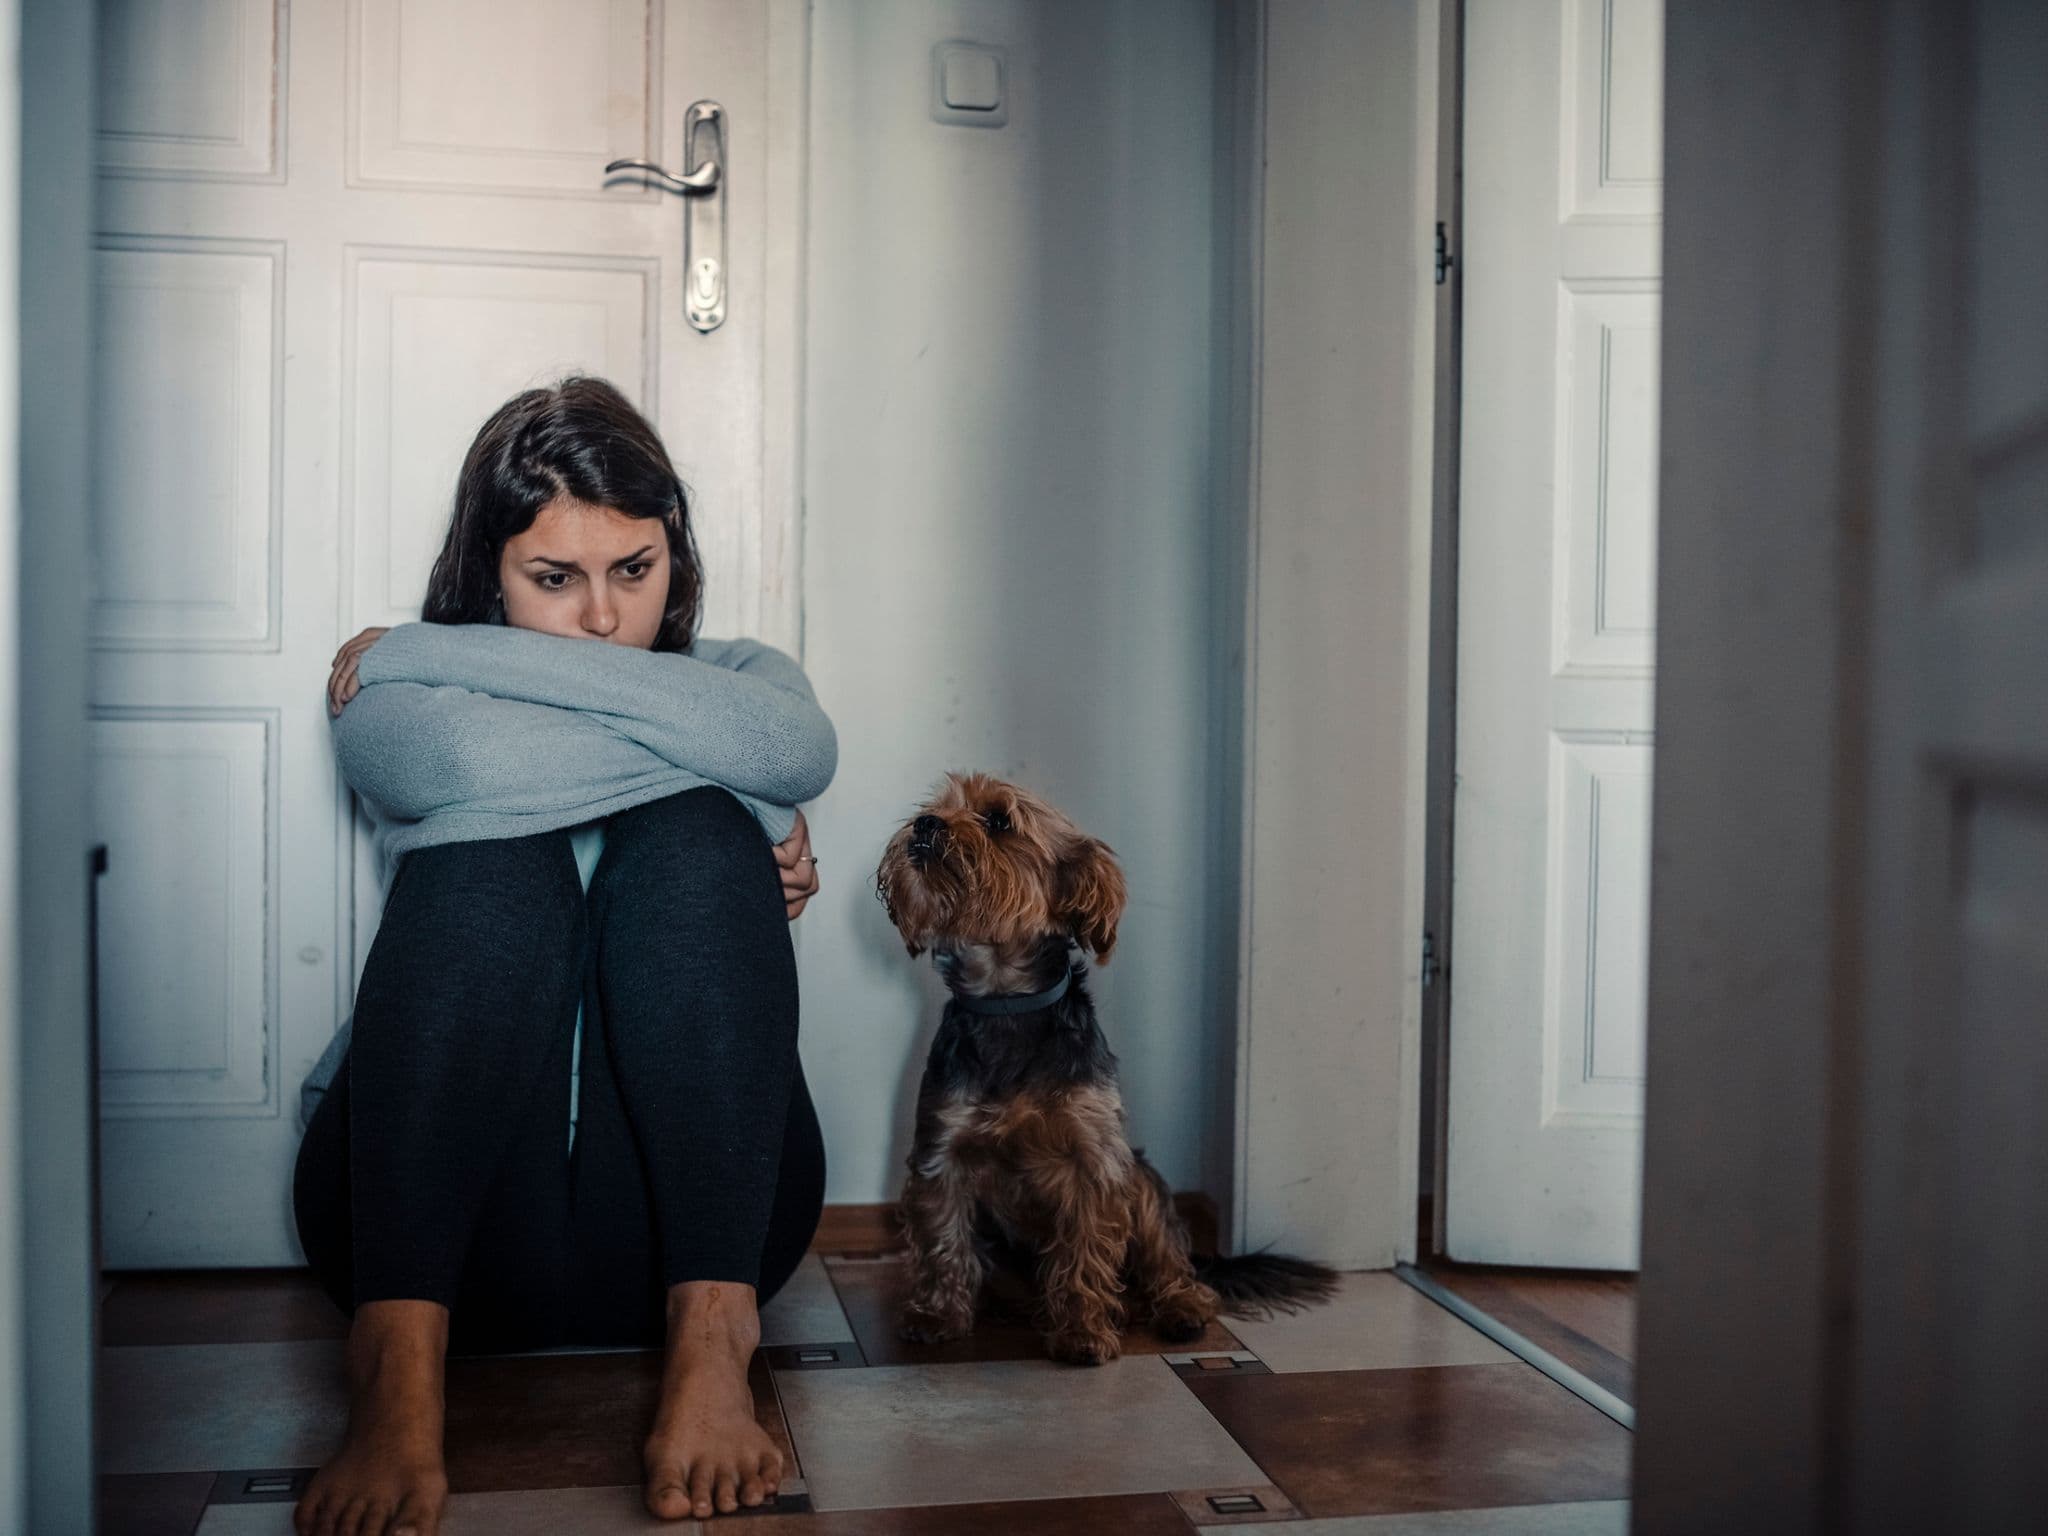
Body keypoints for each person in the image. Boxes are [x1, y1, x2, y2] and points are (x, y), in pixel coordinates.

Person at [291, 376, 837, 1536]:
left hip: (694, 1238)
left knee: (690, 841)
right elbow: (451, 775)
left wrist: (439, 653)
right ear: (484, 569)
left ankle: (711, 1349)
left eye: (633, 571)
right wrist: (742, 797)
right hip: (434, 1231)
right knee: (499, 856)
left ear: (671, 557)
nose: (601, 620)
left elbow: (794, 745)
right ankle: (392, 1367)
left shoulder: (433, 665)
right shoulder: (401, 697)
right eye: (554, 579)